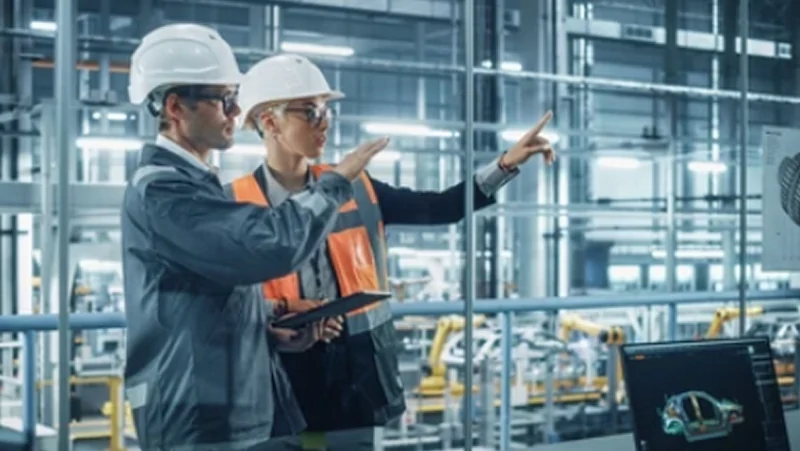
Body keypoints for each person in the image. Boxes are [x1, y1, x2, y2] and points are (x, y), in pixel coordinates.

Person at [226, 53, 556, 450]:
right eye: (311, 112)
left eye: (327, 111)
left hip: (355, 377)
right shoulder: (233, 204)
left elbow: (441, 207)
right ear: (269, 121)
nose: (325, 122)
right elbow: (218, 303)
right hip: (276, 377)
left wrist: (504, 165)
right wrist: (276, 319)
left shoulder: (358, 188)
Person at [121, 24, 389, 451]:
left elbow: (201, 298)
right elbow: (270, 246)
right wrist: (338, 182)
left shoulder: (195, 184)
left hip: (230, 404)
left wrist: (273, 316)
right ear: (176, 106)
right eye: (225, 100)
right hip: (197, 415)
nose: (235, 112)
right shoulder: (164, 192)